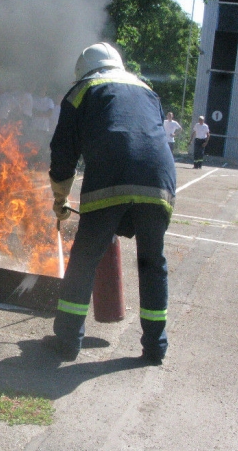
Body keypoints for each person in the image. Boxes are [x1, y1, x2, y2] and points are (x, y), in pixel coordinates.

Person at [46, 42, 176, 364]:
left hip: (110, 177)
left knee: (85, 259)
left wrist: (60, 199)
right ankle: (155, 348)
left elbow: (63, 154)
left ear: (83, 71)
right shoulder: (147, 90)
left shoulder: (81, 91)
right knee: (152, 263)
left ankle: (66, 342)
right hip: (159, 182)